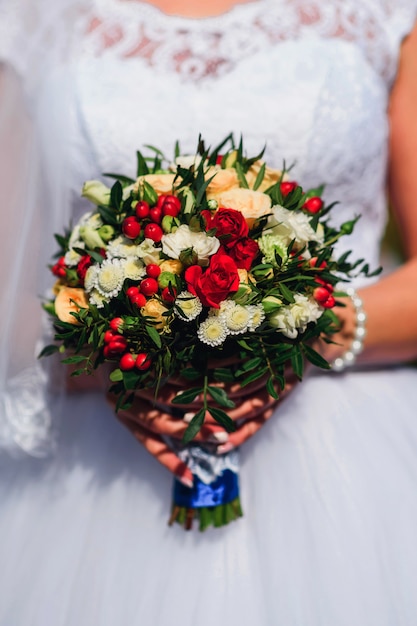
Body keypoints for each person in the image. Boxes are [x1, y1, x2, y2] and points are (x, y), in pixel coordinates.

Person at [1, 0, 417, 624]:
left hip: (346, 462)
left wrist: (299, 332)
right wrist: (114, 357)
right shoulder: (30, 19)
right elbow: (12, 285)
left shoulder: (385, 11)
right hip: (98, 458)